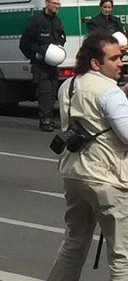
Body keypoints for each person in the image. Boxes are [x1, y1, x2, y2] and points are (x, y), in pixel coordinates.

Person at [47, 33, 128, 280]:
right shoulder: (108, 91)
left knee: (73, 243)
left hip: (75, 174)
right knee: (122, 256)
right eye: (114, 58)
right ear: (96, 63)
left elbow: (91, 110)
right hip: (108, 178)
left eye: (121, 57)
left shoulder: (68, 86)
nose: (120, 63)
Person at [20, 0, 67, 132]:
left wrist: (59, 48)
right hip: (41, 64)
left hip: (53, 63)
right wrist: (35, 55)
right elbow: (24, 43)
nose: (56, 6)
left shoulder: (57, 21)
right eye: (54, 3)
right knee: (44, 91)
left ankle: (49, 118)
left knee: (52, 92)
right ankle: (44, 120)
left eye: (58, 4)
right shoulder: (35, 21)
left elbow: (61, 36)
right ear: (46, 3)